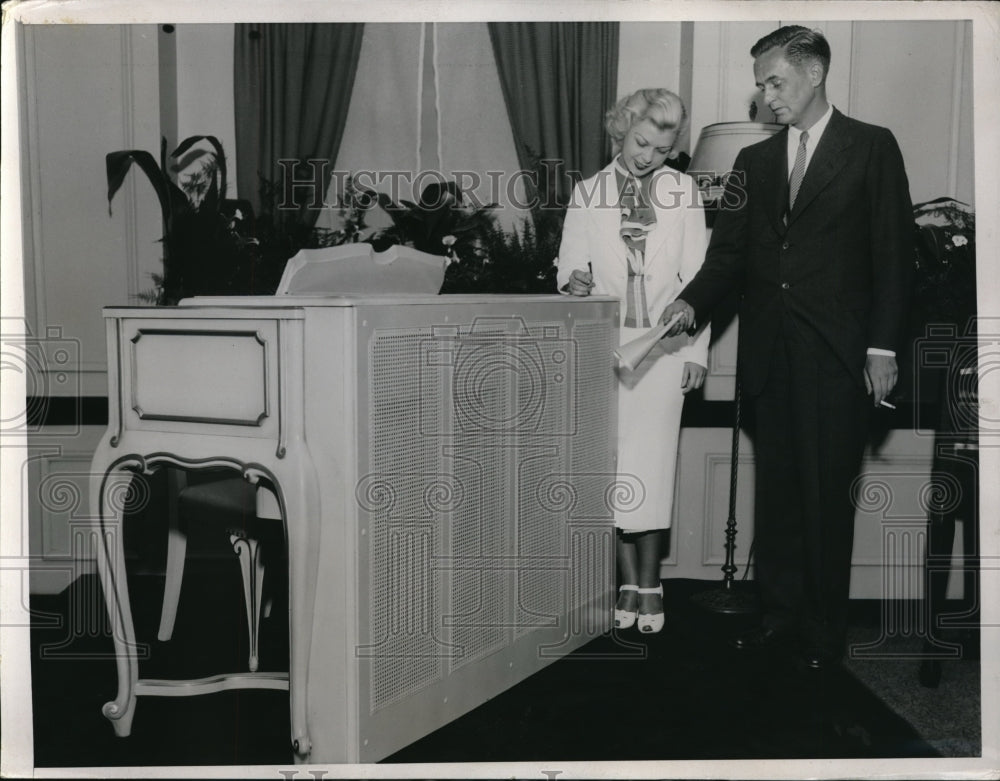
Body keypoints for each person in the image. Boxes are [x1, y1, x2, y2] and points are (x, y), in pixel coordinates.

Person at [661, 26, 913, 667]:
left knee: (826, 499)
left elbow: (893, 257)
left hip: (838, 357)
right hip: (770, 356)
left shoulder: (871, 148)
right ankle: (779, 617)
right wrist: (691, 302)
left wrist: (882, 347)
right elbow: (730, 259)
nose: (766, 95)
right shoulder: (754, 164)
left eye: (774, 81)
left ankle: (825, 634)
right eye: (761, 83)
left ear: (814, 74)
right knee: (777, 499)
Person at [557, 88, 710, 634]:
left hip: (665, 350)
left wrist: (697, 351)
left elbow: (700, 279)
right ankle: (625, 582)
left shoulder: (685, 191)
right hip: (607, 353)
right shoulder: (587, 192)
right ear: (620, 129)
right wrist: (572, 282)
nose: (648, 156)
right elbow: (570, 267)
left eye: (662, 150)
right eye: (641, 142)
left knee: (653, 467)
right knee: (615, 471)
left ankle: (651, 583)